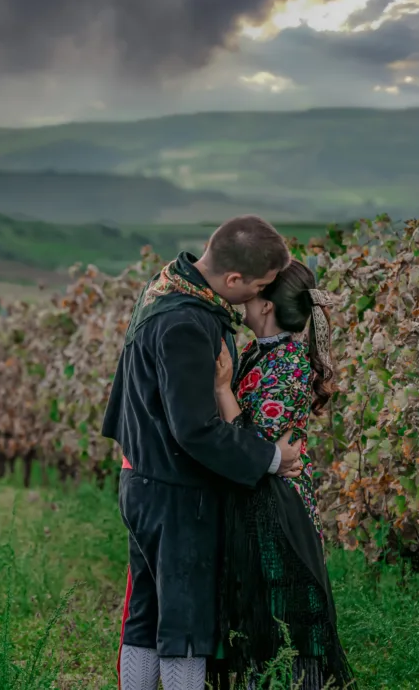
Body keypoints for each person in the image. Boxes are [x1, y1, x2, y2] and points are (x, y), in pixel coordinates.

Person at [102, 216, 304, 690]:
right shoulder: (188, 322)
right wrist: (269, 458)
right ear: (233, 279)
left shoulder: (166, 287)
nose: (258, 297)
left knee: (148, 611)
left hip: (142, 476)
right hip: (176, 490)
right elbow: (193, 428)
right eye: (258, 286)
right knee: (186, 621)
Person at [212, 259, 354, 690]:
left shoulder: (289, 365)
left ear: (268, 305)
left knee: (283, 621)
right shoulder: (262, 350)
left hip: (280, 513)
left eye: (254, 293)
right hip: (262, 504)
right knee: (263, 621)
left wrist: (221, 390)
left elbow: (254, 448)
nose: (244, 300)